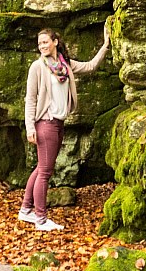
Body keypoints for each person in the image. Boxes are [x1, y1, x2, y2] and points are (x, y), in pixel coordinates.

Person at [19, 27, 108, 232]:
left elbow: (90, 66)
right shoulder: (37, 67)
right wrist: (29, 127)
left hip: (59, 123)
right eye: (39, 43)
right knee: (45, 172)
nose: (42, 46)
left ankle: (25, 210)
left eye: (45, 42)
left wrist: (105, 45)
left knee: (41, 167)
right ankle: (40, 218)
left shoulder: (65, 65)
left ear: (55, 42)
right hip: (45, 123)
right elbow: (30, 99)